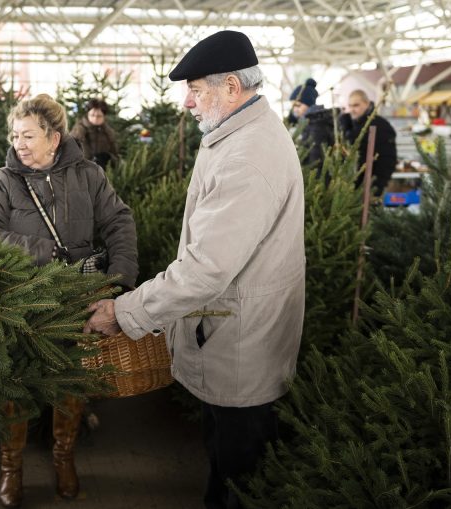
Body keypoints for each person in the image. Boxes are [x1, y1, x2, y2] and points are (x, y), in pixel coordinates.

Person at [83, 30, 305, 509]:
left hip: (243, 347)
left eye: (196, 89)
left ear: (231, 87)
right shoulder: (237, 136)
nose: (187, 101)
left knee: (240, 473)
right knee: (225, 463)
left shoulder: (247, 157)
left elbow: (206, 268)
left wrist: (125, 312)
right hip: (232, 336)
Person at [0, 93, 138, 508]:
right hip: (20, 300)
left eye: (28, 135)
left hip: (74, 300)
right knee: (14, 380)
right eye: (15, 136)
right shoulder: (3, 180)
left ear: (54, 136)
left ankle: (64, 458)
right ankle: (11, 467)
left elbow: (119, 220)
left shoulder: (87, 175)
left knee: (71, 380)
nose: (19, 144)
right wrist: (42, 251)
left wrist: (120, 282)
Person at [339, 89, 397, 196]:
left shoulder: (380, 126)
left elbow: (387, 160)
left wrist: (375, 188)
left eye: (356, 105)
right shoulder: (350, 125)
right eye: (350, 106)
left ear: (367, 103)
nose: (352, 109)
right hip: (350, 190)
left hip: (369, 190)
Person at [288, 77, 338, 171]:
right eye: (293, 106)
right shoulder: (302, 123)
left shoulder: (317, 125)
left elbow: (316, 160)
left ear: (309, 104)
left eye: (298, 105)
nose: (295, 109)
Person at [70, 98, 119, 170]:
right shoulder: (79, 130)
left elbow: (115, 155)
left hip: (103, 173)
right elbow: (69, 153)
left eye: (99, 116)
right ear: (88, 114)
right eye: (92, 115)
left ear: (104, 116)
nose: (95, 118)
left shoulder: (108, 132)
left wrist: (109, 158)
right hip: (82, 172)